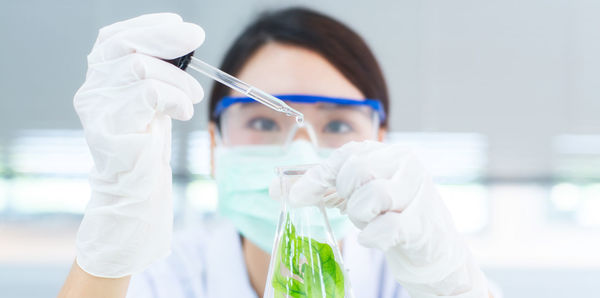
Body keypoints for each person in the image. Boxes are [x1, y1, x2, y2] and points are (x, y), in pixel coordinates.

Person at [58, 8, 496, 298]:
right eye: (264, 122)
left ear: (381, 137)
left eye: (339, 123)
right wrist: (115, 227)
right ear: (214, 146)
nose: (301, 149)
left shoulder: (413, 277)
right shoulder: (161, 279)